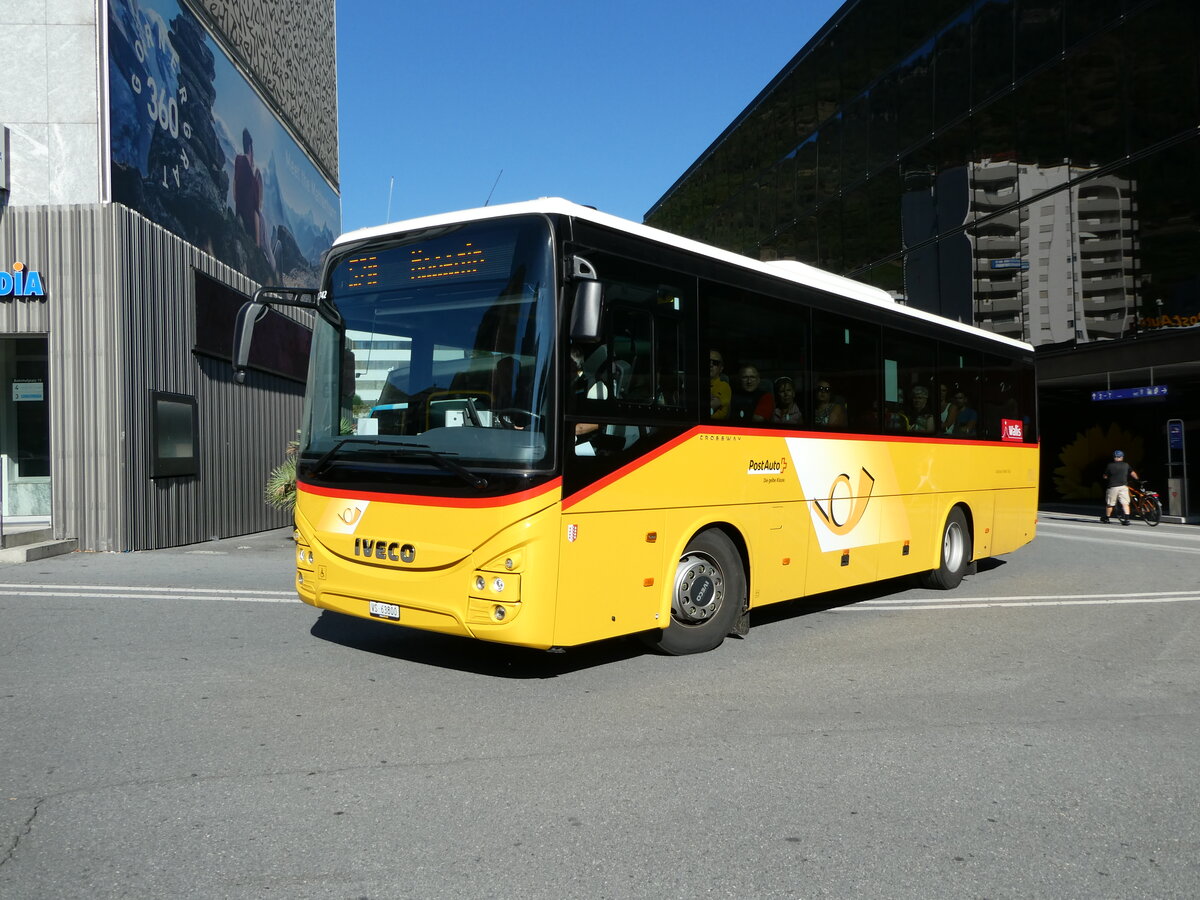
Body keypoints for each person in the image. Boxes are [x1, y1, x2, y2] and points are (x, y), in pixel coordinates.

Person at [1101, 449, 1138, 525]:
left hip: (1113, 487)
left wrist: (1105, 477)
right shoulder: (1126, 465)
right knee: (1125, 503)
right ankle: (1126, 519)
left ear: (1114, 457)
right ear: (1122, 457)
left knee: (1110, 503)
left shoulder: (1110, 465)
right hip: (1123, 487)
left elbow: (1105, 476)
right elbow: (1133, 473)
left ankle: (1107, 518)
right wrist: (1137, 479)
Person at [709, 350, 731, 419]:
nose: (710, 365)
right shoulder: (696, 384)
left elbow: (711, 406)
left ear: (721, 368)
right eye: (708, 361)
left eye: (715, 363)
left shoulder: (724, 386)